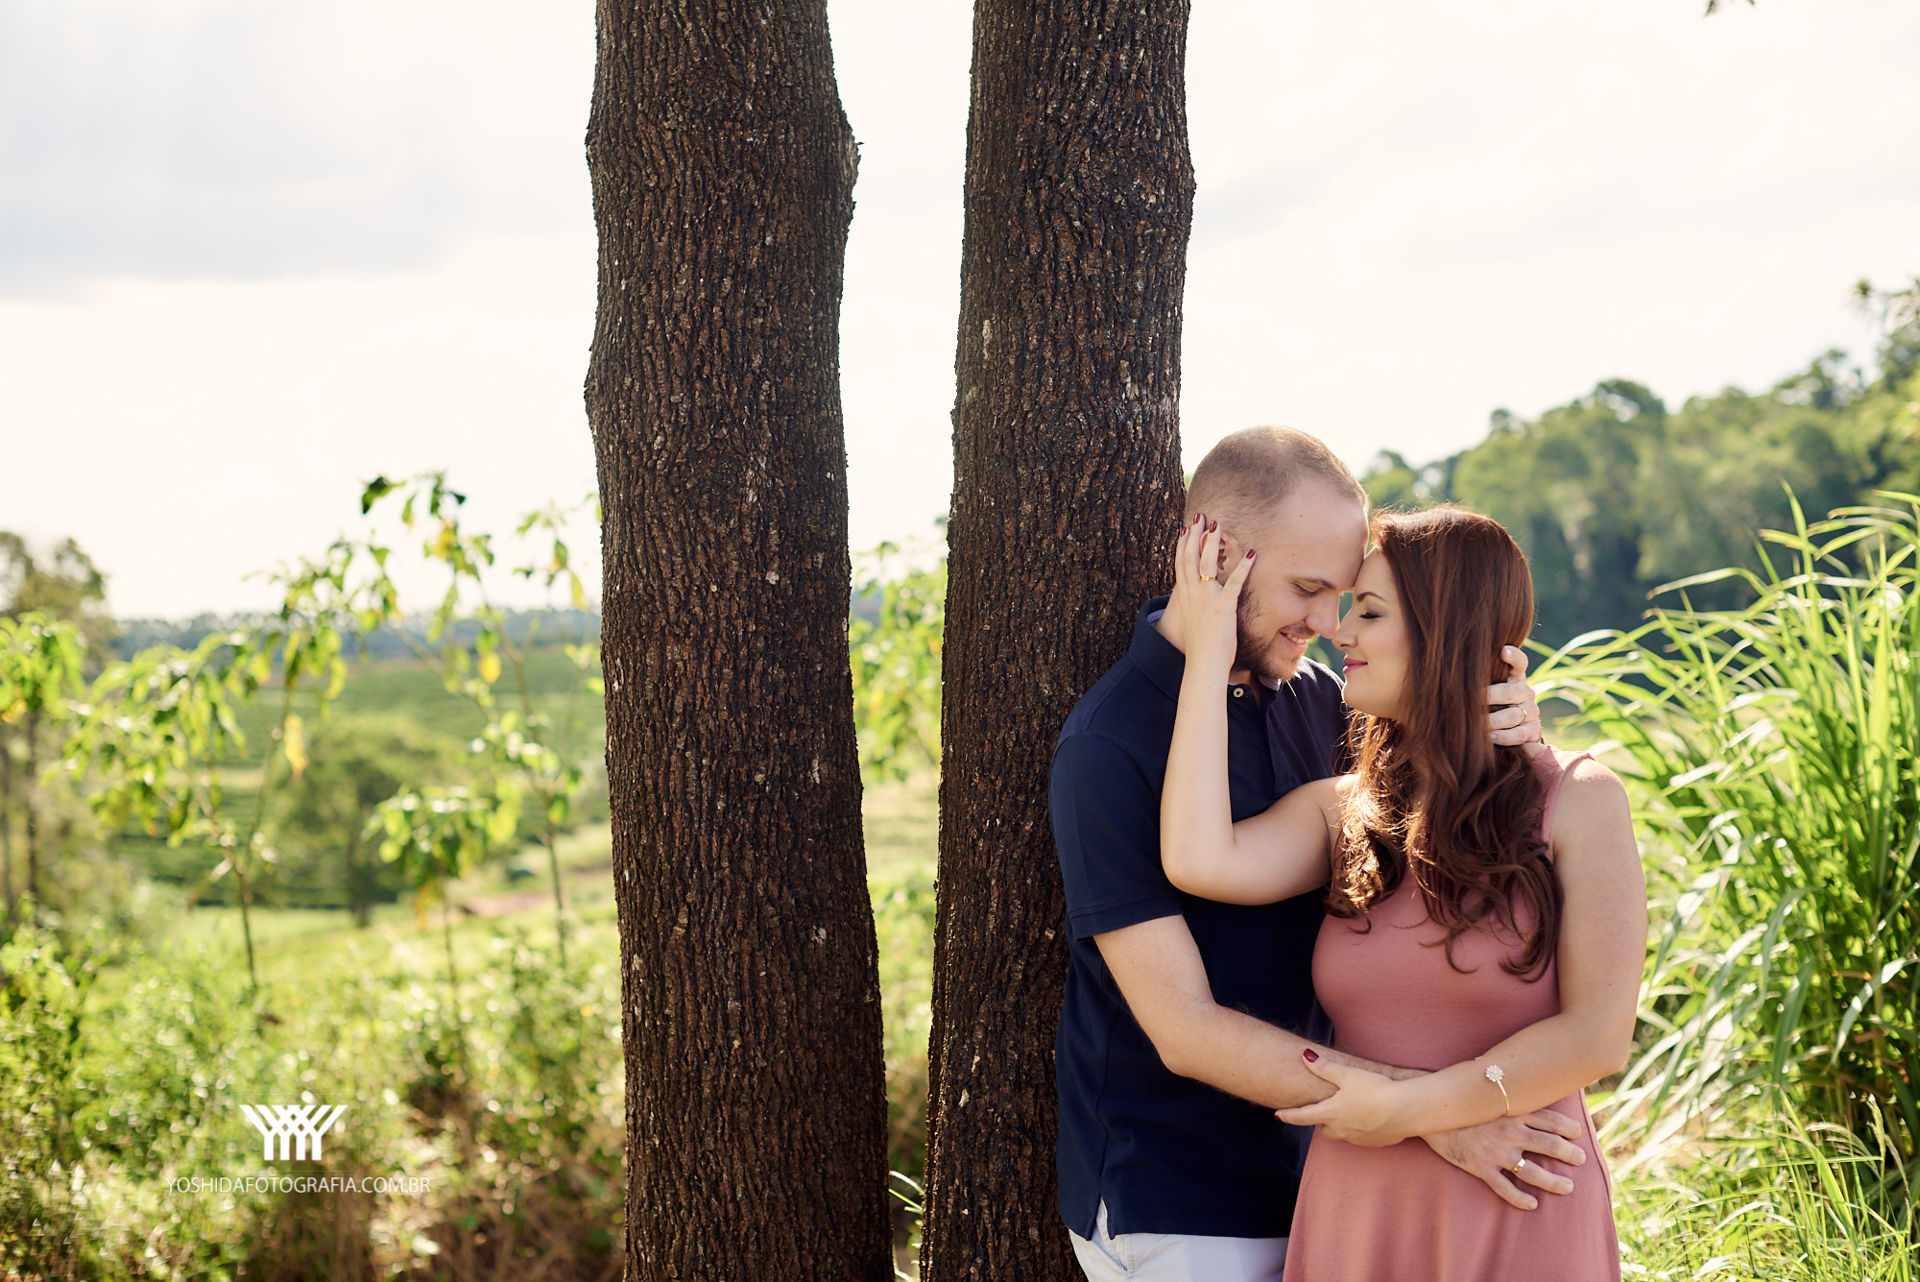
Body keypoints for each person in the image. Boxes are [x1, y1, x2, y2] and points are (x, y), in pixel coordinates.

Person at [1050, 426, 1593, 1282]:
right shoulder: (1110, 745)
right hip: (1181, 1200)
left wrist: (1505, 718)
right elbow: (1186, 1031)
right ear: (1214, 554)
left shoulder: (1325, 703)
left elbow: (1444, 813)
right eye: (1308, 588)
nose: (1328, 622)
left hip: (1330, 1175)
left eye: (1345, 595)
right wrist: (1429, 1114)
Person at [1157, 503, 1645, 1281]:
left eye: (1371, 612)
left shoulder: (1580, 799)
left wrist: (1408, 1113)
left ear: (1446, 632)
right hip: (1360, 1201)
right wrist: (1209, 652)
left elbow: (1598, 1036)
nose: (1340, 632)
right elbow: (1197, 857)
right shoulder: (1343, 809)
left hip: (1519, 1195)